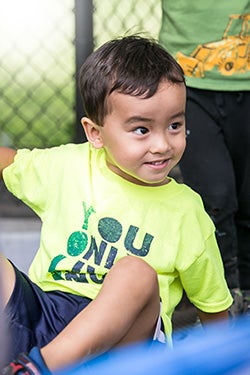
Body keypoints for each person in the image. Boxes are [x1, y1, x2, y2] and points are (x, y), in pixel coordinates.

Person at [0, 35, 232, 374]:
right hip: (44, 319)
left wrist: (225, 362)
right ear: (95, 133)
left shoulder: (185, 211)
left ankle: (37, 369)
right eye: (141, 129)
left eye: (175, 125)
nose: (162, 144)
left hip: (122, 349)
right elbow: (7, 161)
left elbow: (214, 308)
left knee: (135, 272)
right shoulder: (66, 166)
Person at [159, 1, 250, 316]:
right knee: (216, 196)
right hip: (188, 81)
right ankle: (221, 300)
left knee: (247, 198)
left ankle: (244, 292)